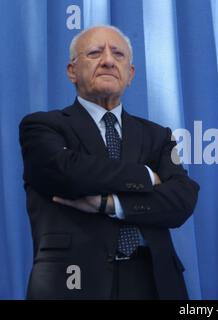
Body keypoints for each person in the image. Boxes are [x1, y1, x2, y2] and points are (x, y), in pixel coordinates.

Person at [19, 25, 199, 299]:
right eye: (94, 53)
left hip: (153, 281)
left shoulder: (158, 135)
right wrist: (146, 177)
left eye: (118, 54)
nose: (107, 60)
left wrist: (112, 204)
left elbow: (182, 198)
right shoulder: (42, 126)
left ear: (130, 74)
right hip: (73, 280)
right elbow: (67, 173)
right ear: (71, 71)